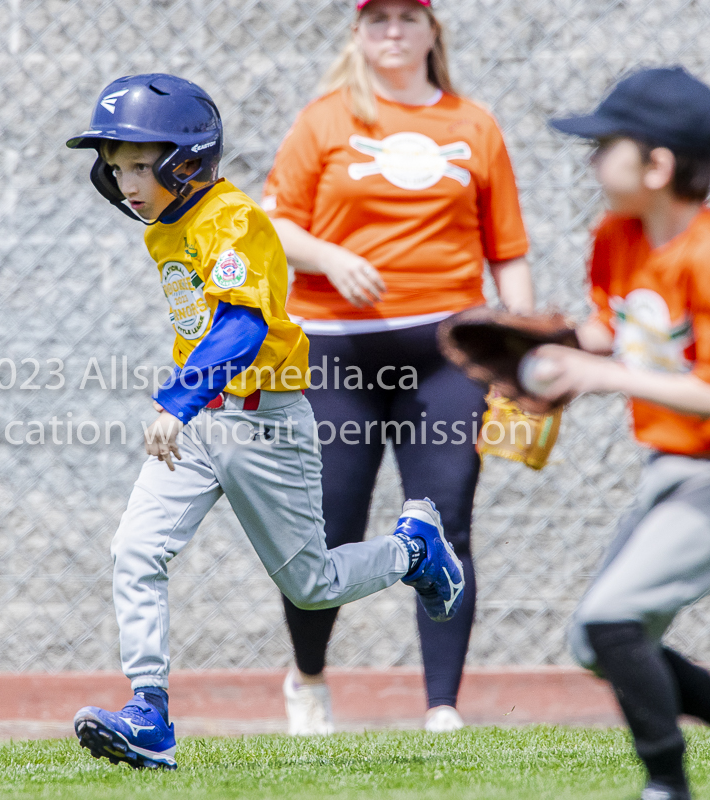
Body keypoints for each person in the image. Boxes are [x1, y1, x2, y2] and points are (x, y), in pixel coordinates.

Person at [64, 72, 466, 770]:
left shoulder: (231, 218)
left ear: (186, 160)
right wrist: (188, 407)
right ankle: (149, 714)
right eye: (114, 166)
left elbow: (242, 329)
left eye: (138, 163)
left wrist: (175, 400)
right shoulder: (167, 226)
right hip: (200, 423)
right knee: (136, 549)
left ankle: (413, 550)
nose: (124, 180)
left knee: (311, 585)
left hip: (261, 423)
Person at [261, 0, 533, 734]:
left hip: (447, 354)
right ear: (356, 32)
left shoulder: (473, 125)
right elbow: (274, 227)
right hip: (337, 354)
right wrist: (332, 257)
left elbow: (506, 249)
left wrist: (521, 358)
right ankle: (309, 681)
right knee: (326, 529)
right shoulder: (324, 120)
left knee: (445, 521)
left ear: (431, 32)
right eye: (375, 17)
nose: (392, 31)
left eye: (407, 17)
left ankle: (442, 708)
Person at [535, 66, 710, 800]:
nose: (592, 159)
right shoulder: (618, 237)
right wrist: (551, 349)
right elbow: (614, 329)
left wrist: (605, 377)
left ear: (656, 165)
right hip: (672, 466)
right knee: (599, 639)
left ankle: (665, 783)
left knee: (614, 620)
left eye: (605, 145)